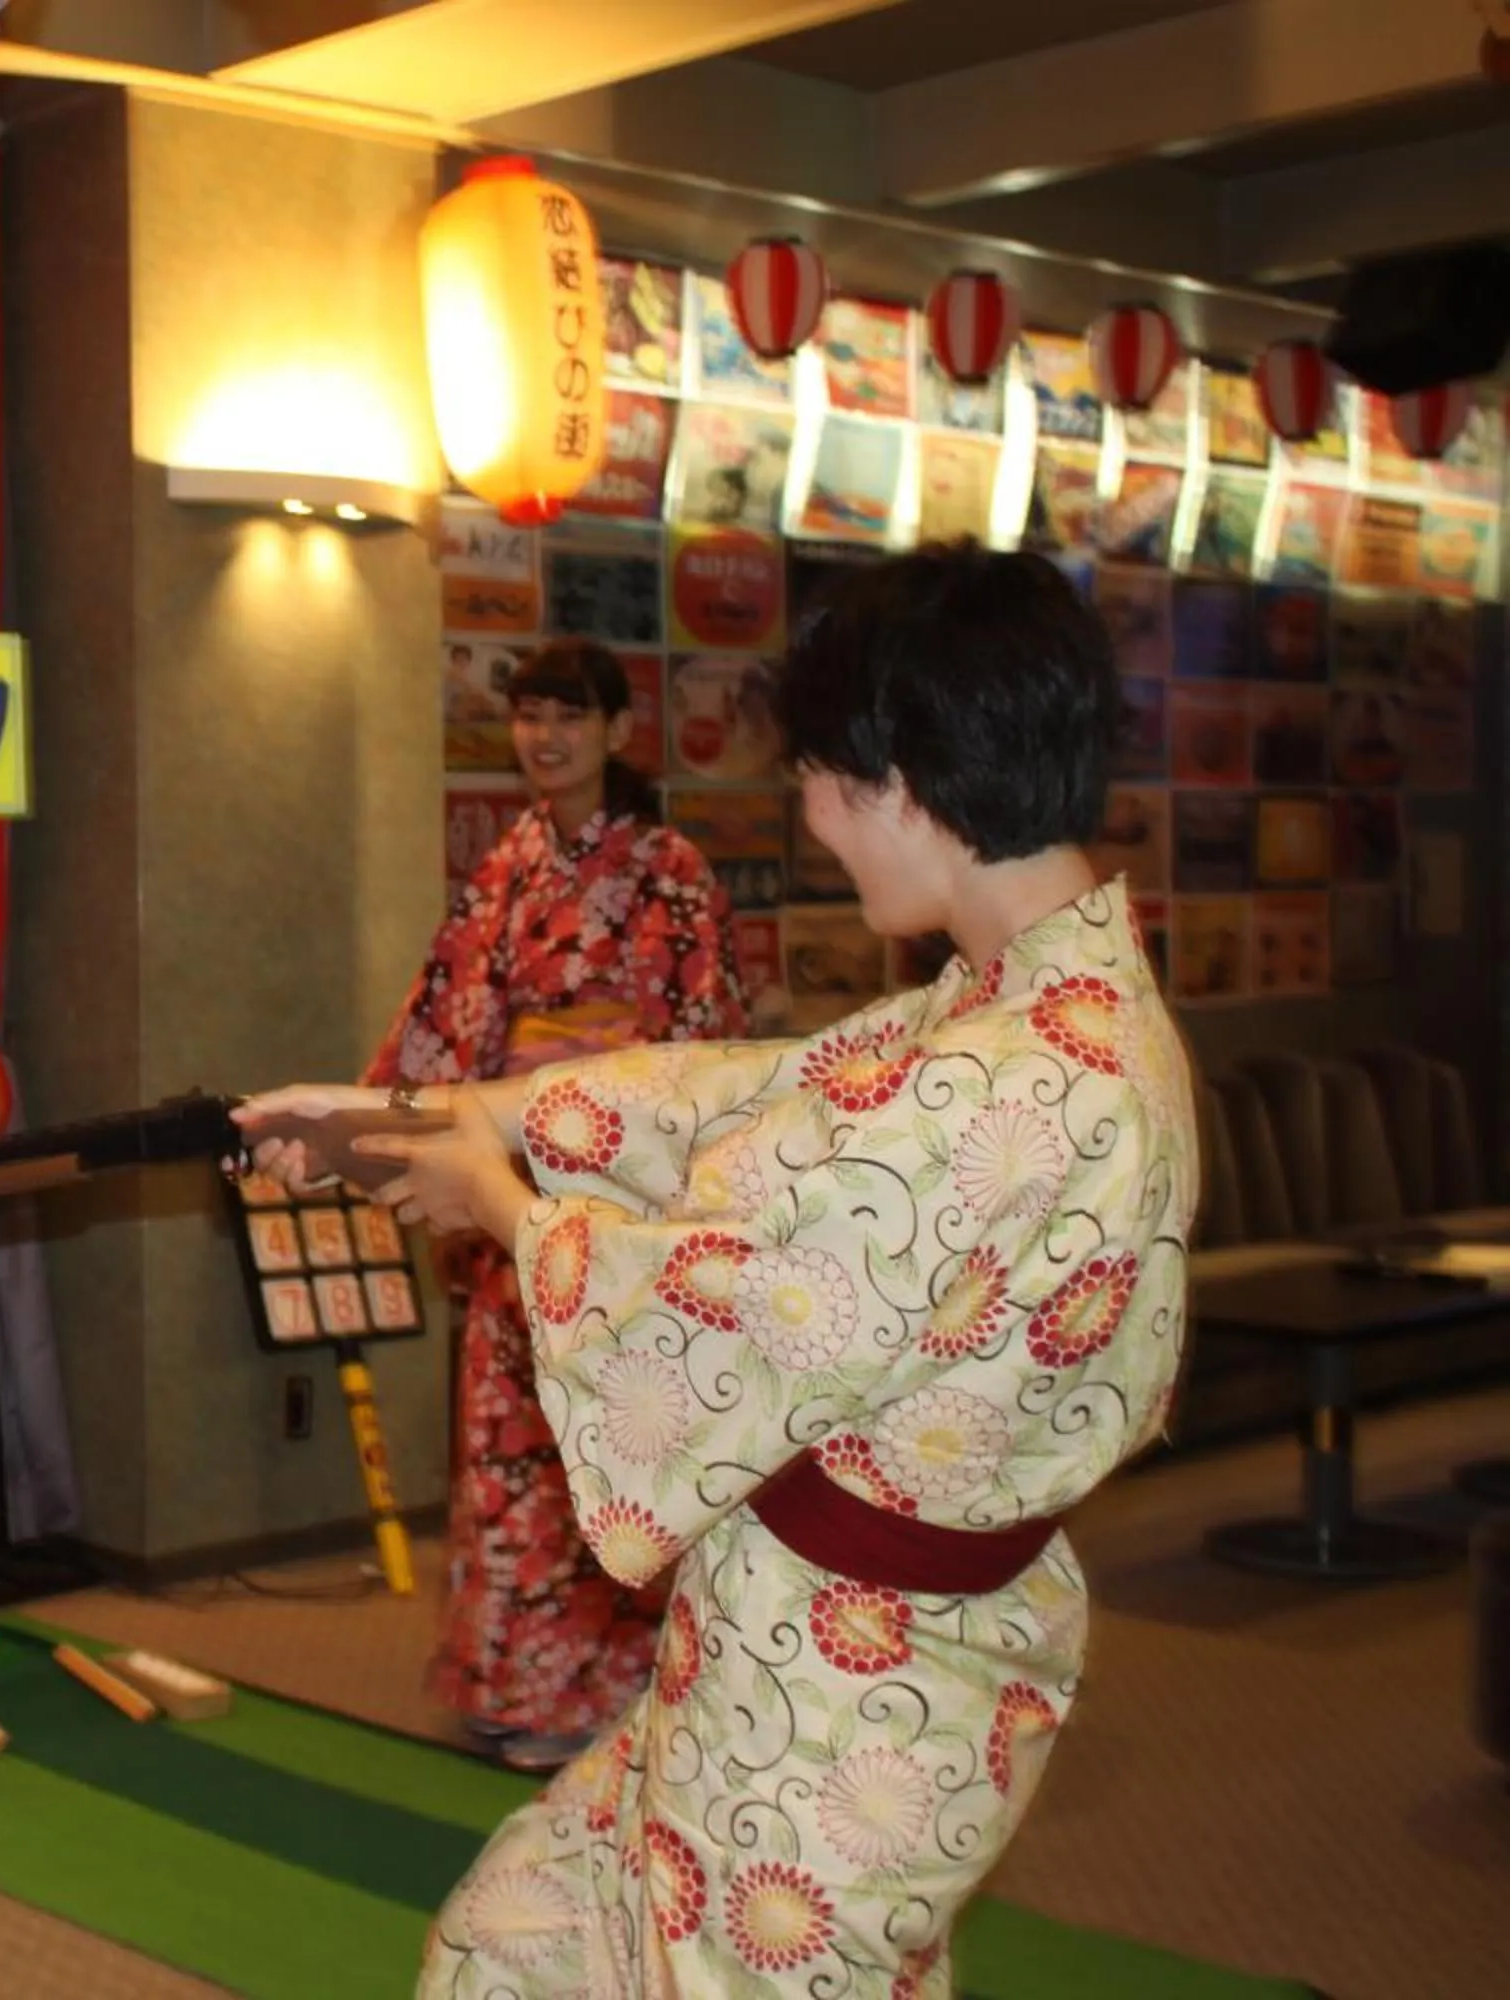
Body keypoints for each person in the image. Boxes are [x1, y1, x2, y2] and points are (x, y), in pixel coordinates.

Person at [250, 543, 1197, 1997]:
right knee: (523, 1949)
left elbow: (749, 1309)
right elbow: (753, 1097)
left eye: (820, 778)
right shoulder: (1037, 1007)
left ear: (904, 777)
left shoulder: (1022, 1079)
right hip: (816, 1642)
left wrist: (501, 1206)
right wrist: (442, 1120)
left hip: (851, 1698)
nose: (813, 820)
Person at [367, 638, 746, 1773]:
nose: (545, 737)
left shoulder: (671, 869)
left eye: (568, 717)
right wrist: (390, 1123)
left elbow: (704, 1036)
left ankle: (617, 1689)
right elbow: (449, 1015)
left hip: (621, 1187)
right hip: (513, 1181)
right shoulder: (507, 868)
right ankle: (510, 1678)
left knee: (606, 1436)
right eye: (528, 715)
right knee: (508, 1437)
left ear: (619, 731)